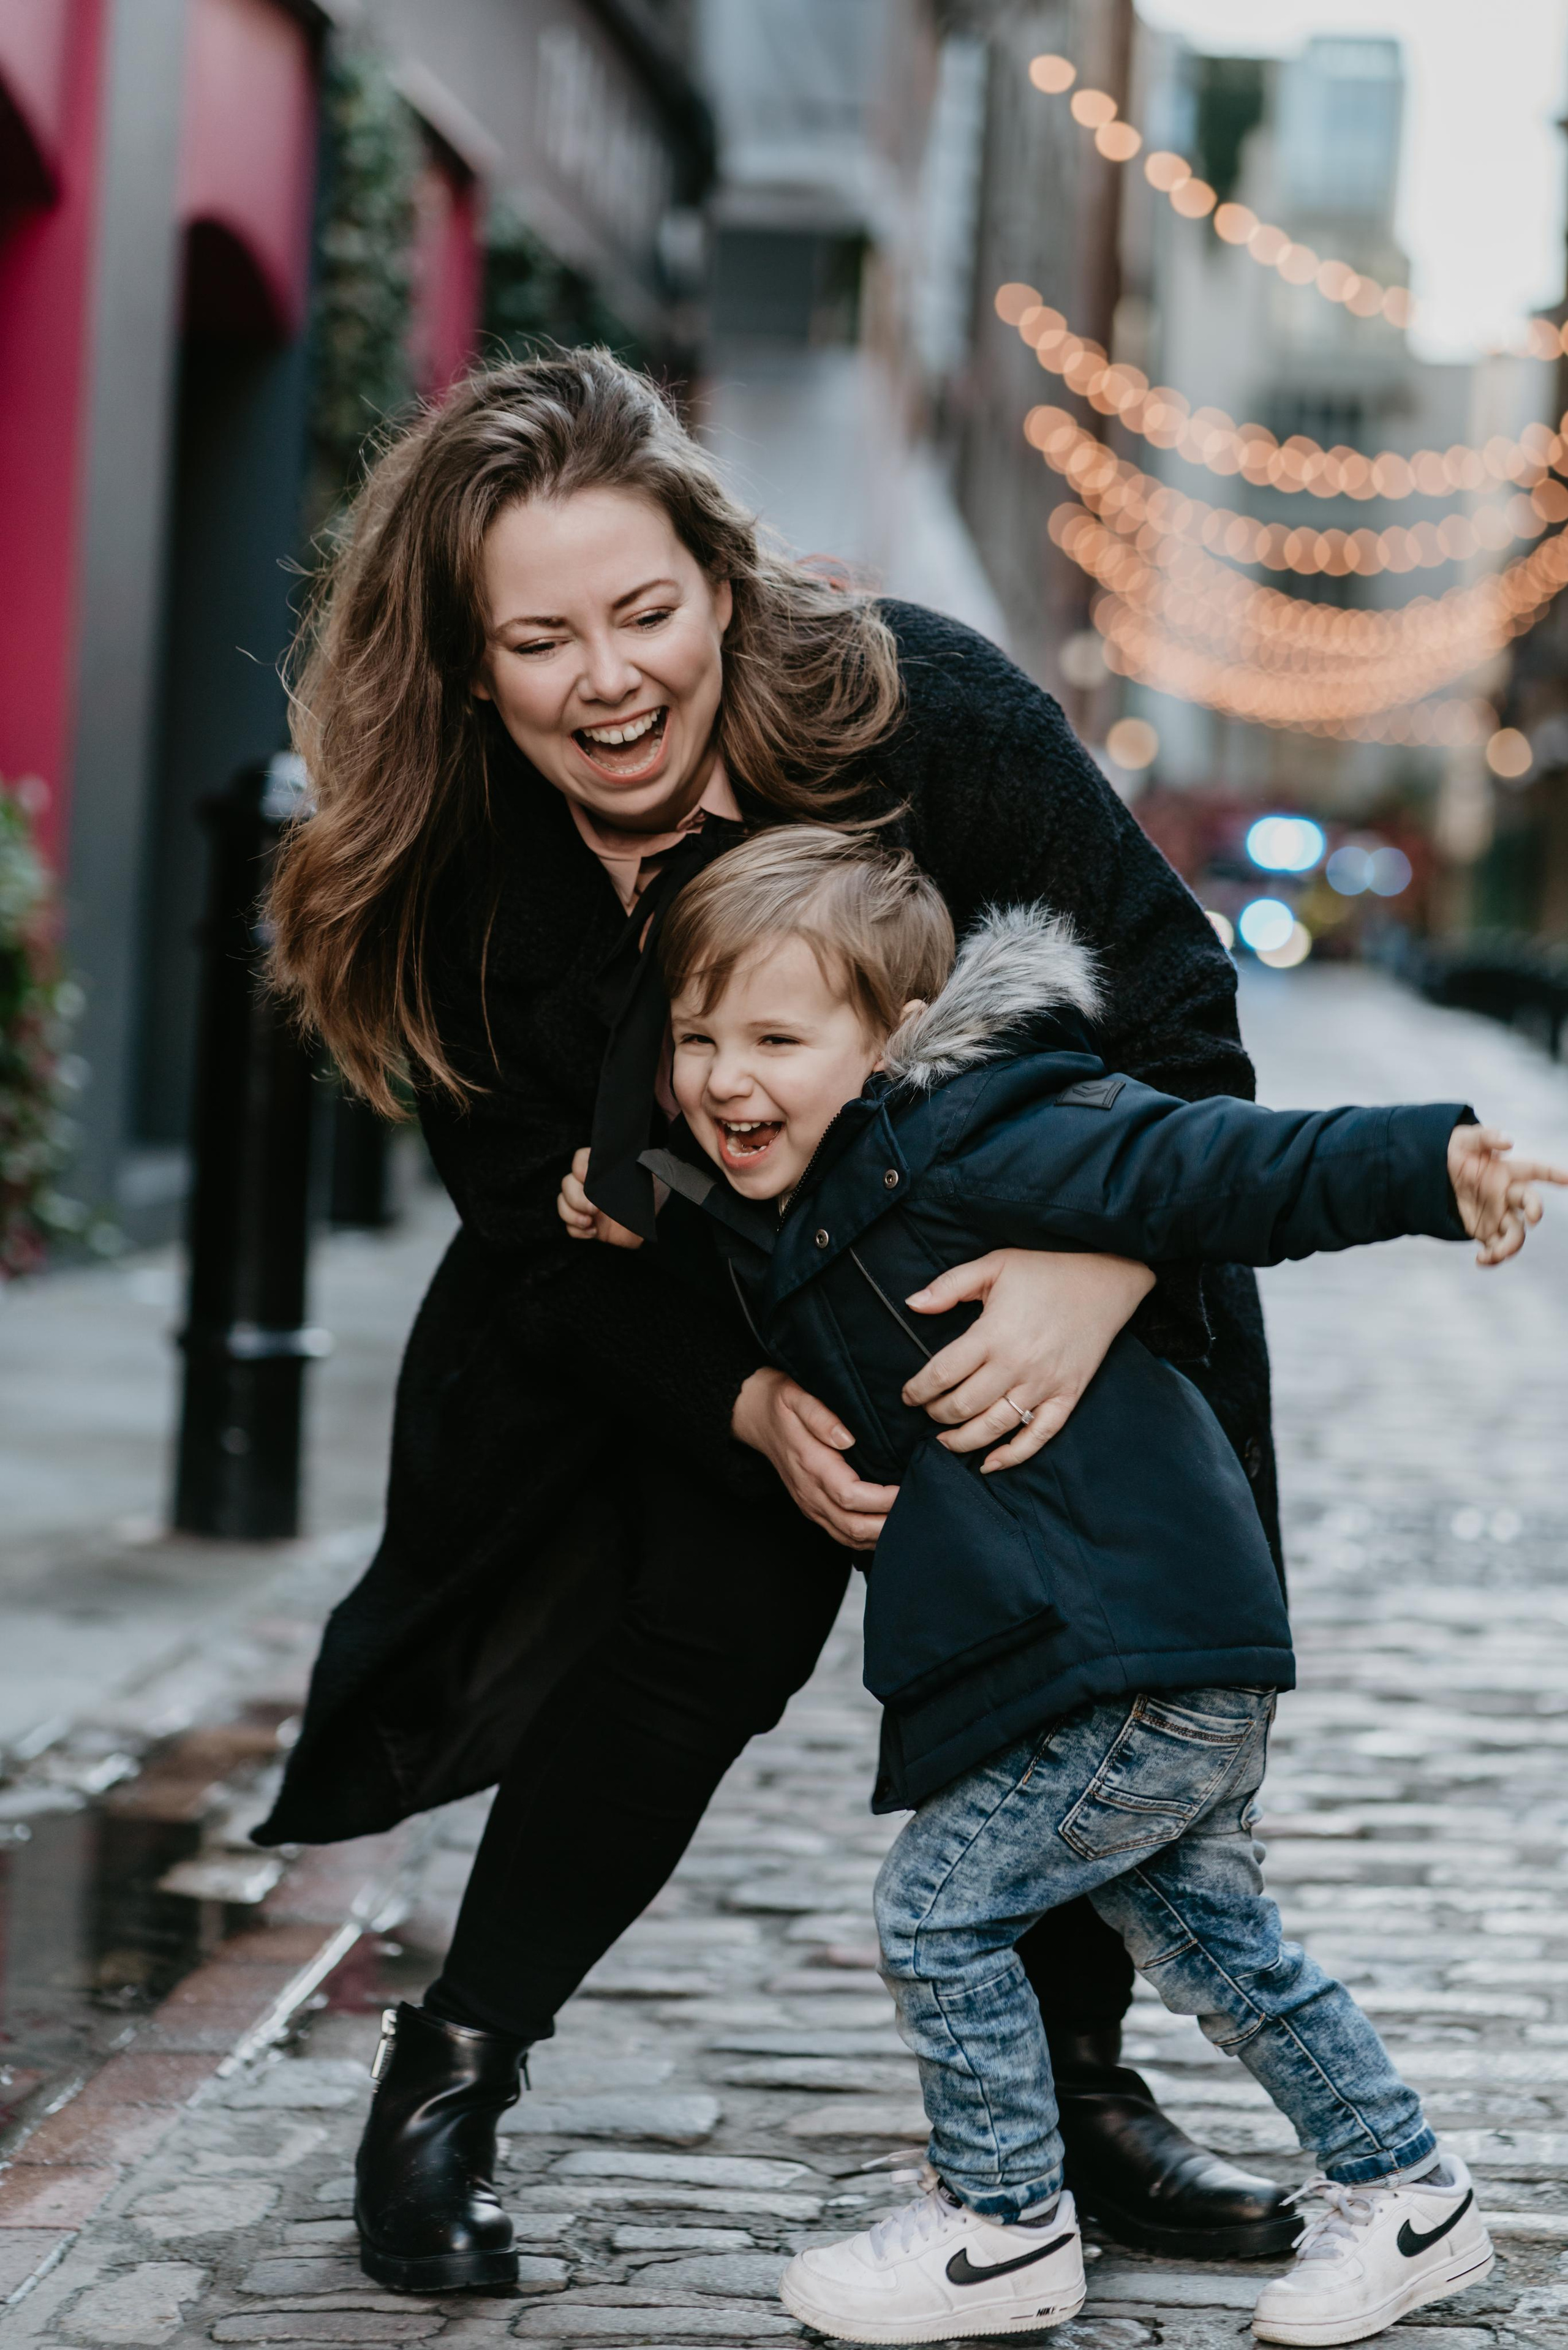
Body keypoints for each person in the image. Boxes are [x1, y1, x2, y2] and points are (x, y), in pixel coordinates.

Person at [258, 350, 1296, 2295]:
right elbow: (534, 1239)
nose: (610, 677)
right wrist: (742, 1406)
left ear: (722, 585)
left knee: (1091, 1643)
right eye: (542, 638)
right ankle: (448, 2077)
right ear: (476, 670)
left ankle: (1080, 2093)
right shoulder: (473, 878)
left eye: (644, 611)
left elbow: (1177, 1009)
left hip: (1040, 1256)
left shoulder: (927, 714)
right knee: (688, 1635)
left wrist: (1092, 1284)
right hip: (701, 1314)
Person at [558, 824, 1561, 2348]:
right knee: (1218, 1940)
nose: (720, 1075)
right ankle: (1405, 2191)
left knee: (938, 1913)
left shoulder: (985, 1130)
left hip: (1130, 1639)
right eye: (696, 1037)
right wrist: (622, 1180)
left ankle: (1002, 2221)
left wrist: (1433, 1160)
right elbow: (731, 1208)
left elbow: (1216, 1165)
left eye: (772, 1034)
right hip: (1117, 1636)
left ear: (888, 1039)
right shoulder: (804, 1169)